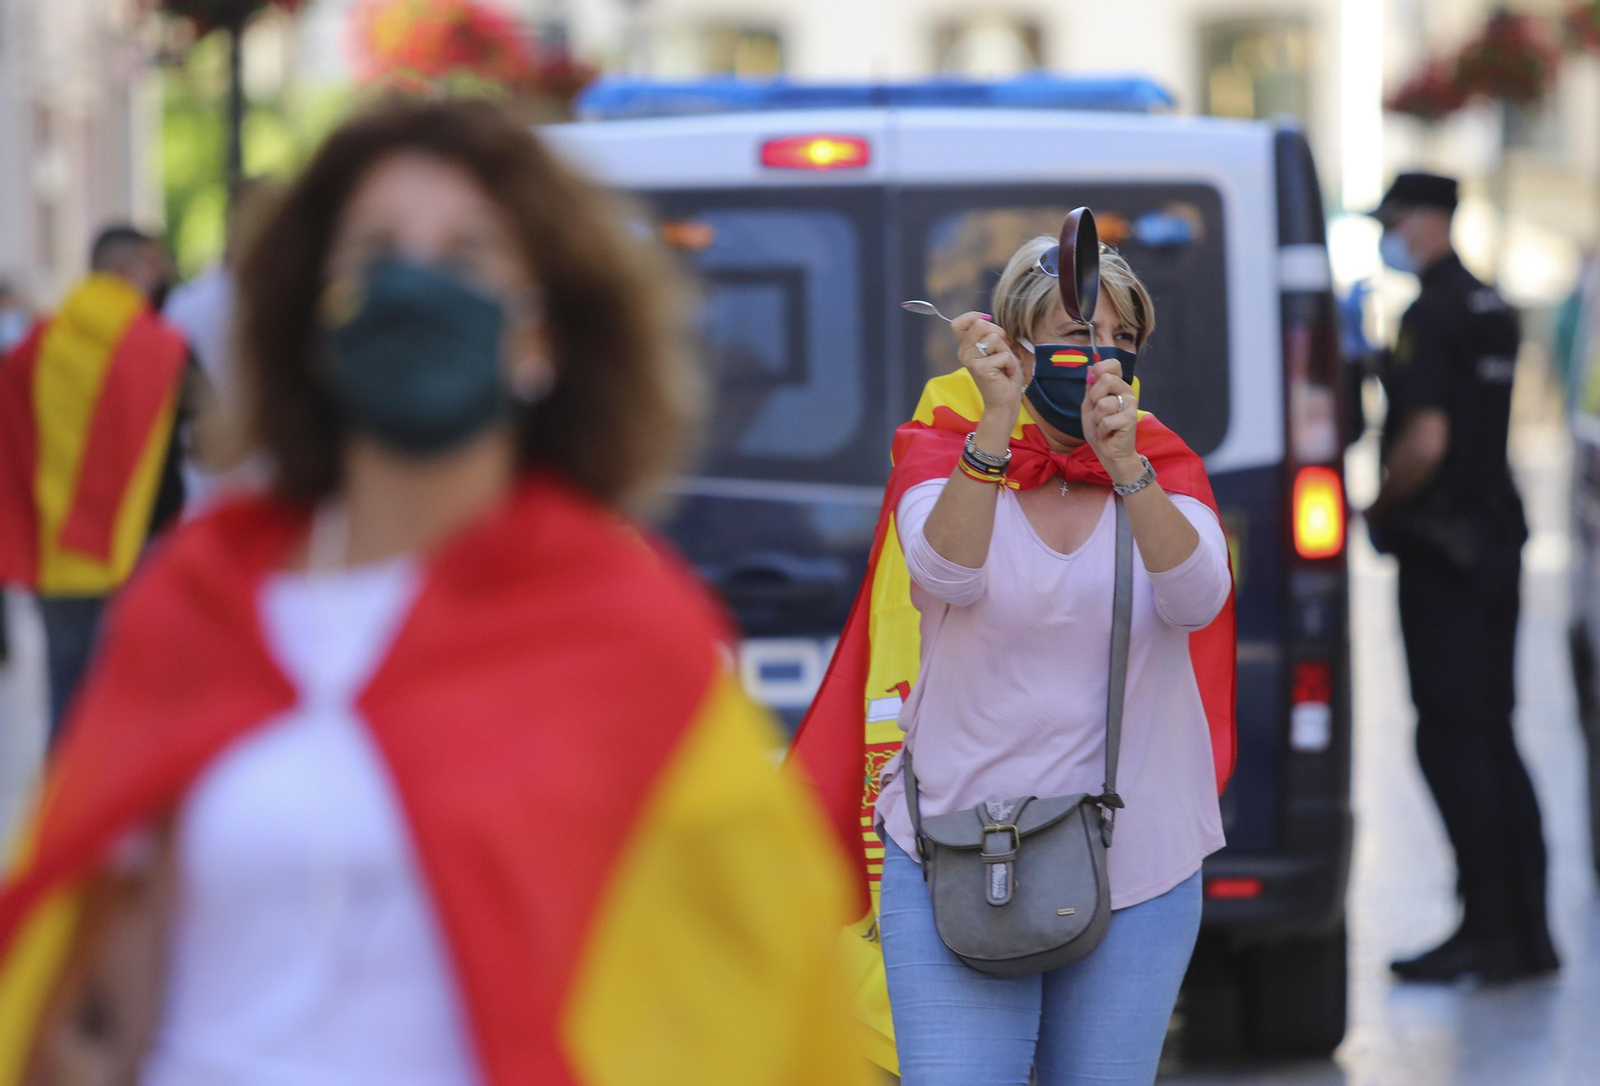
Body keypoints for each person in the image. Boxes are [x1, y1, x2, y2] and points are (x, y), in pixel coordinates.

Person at [0, 99, 873, 1086]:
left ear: (540, 337)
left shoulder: (621, 629)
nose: (414, 283)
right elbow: (82, 981)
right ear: (312, 320)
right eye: (376, 251)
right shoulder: (196, 598)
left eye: (465, 257)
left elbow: (752, 991)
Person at [792, 238, 1237, 1085]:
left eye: (1117, 337)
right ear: (1014, 346)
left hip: (1137, 860)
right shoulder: (944, 453)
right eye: (1073, 335)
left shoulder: (1163, 465)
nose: (1097, 357)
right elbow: (945, 570)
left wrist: (1128, 471)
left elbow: (1196, 599)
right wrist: (994, 426)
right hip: (959, 852)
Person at [1365, 172, 1559, 983]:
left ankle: (1487, 928)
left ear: (1427, 220)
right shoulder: (1487, 305)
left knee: (1451, 739)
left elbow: (1426, 439)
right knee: (1493, 734)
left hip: (1444, 549)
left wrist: (1379, 506)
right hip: (1494, 541)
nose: (1391, 236)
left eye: (1396, 221)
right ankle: (1525, 933)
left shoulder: (1430, 313)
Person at [0, 227, 187, 739]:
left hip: (55, 556)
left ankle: (64, 808)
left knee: (65, 695)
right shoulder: (162, 347)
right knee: (134, 702)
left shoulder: (32, 349)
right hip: (138, 552)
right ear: (133, 271)